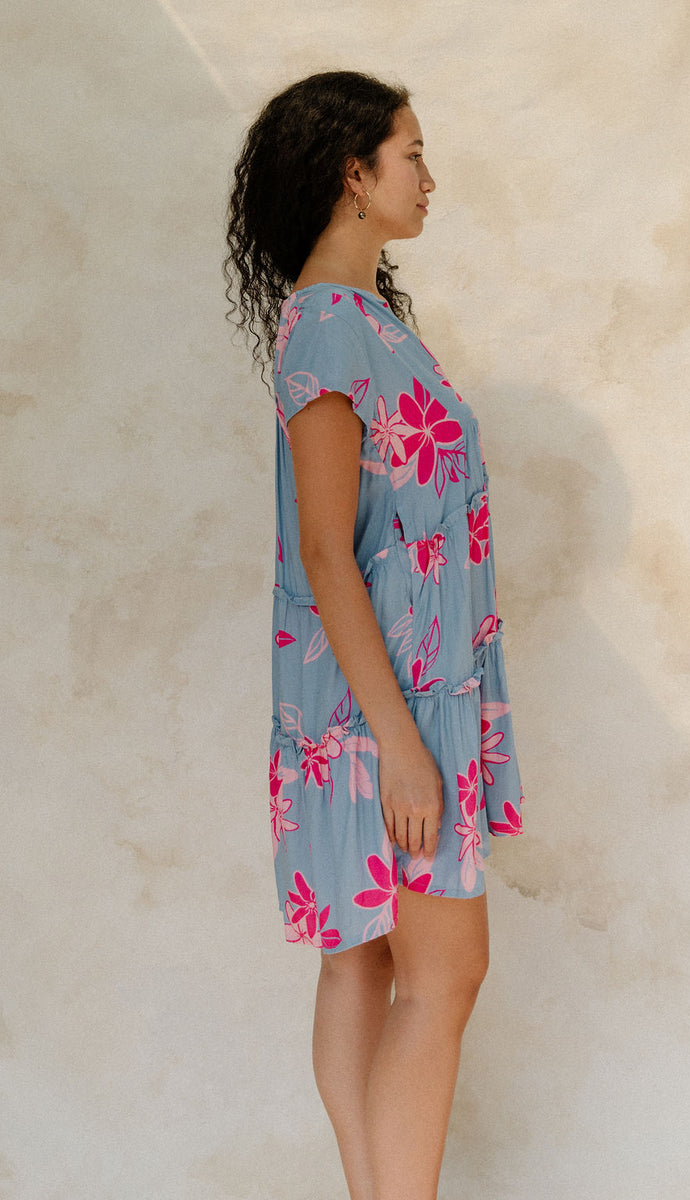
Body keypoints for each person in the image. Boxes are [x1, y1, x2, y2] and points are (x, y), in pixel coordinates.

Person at [225, 70, 524, 1200]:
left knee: (370, 967)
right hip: (380, 712)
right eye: (409, 153)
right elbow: (323, 552)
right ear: (353, 174)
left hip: (387, 697)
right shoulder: (325, 333)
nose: (426, 176)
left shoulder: (353, 325)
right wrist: (401, 740)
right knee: (439, 976)